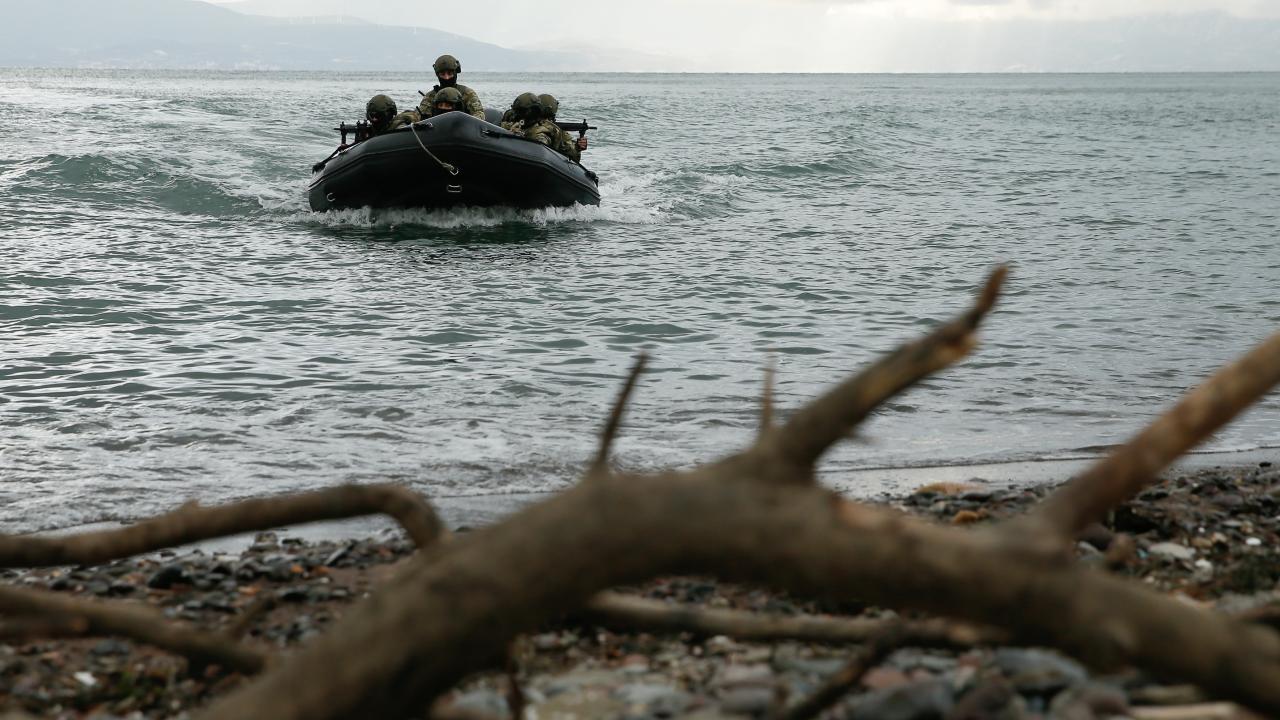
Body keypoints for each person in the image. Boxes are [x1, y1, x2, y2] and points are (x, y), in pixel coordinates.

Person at [417, 54, 484, 120]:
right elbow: (418, 114)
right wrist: (409, 117)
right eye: (442, 74)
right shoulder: (431, 96)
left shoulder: (467, 93)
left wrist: (469, 123)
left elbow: (478, 113)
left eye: (450, 74)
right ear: (438, 75)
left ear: (455, 73)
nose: (446, 78)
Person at [538, 93, 588, 162]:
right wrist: (577, 148)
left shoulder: (527, 125)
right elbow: (573, 156)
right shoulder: (556, 131)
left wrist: (577, 147)